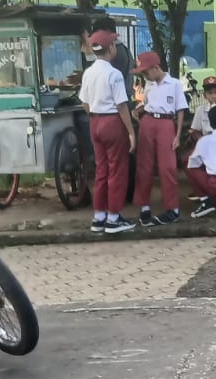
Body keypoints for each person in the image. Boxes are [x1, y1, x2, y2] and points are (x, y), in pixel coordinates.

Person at [79, 26, 137, 234]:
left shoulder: (88, 73)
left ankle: (99, 216)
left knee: (101, 170)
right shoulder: (114, 74)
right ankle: (113, 217)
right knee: (117, 170)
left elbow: (84, 102)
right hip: (113, 122)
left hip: (95, 122)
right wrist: (131, 132)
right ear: (110, 48)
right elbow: (121, 105)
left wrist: (95, 115)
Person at [132, 51, 187, 228]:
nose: (145, 75)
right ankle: (144, 207)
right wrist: (139, 110)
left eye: (146, 71)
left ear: (156, 67)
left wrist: (177, 135)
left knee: (167, 167)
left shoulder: (175, 84)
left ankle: (173, 209)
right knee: (144, 166)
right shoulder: (149, 84)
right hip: (148, 121)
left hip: (166, 123)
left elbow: (180, 110)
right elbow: (147, 102)